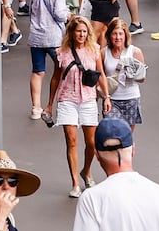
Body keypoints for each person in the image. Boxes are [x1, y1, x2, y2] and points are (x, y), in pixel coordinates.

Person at [47, 16, 112, 197]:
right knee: (72, 141)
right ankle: (75, 182)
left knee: (91, 143)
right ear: (72, 32)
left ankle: (86, 171)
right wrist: (49, 104)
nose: (82, 34)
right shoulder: (62, 52)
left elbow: (101, 75)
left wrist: (106, 96)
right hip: (67, 99)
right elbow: (55, 78)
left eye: (84, 31)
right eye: (78, 31)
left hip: (88, 99)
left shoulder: (94, 50)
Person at [28, 0, 70, 120]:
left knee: (37, 72)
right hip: (54, 38)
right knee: (62, 68)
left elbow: (32, 10)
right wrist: (68, 14)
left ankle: (35, 107)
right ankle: (61, 102)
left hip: (36, 36)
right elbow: (59, 14)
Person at [101, 18, 146, 128]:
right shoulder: (103, 53)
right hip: (112, 99)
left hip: (131, 98)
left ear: (126, 35)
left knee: (126, 138)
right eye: (114, 34)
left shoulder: (135, 52)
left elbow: (142, 79)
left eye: (121, 34)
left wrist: (132, 73)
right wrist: (104, 96)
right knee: (112, 133)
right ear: (109, 35)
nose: (118, 37)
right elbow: (100, 76)